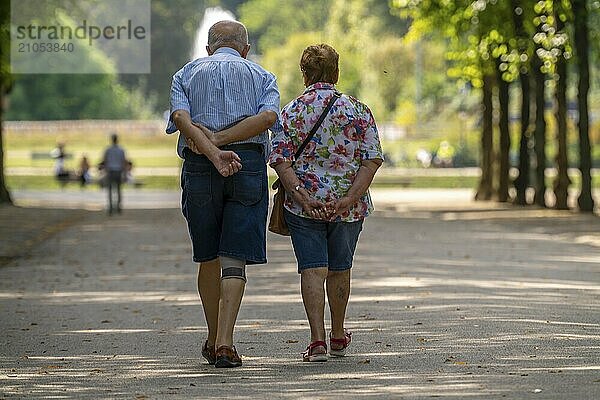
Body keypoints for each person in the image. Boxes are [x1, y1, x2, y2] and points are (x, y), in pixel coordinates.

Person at [166, 20, 282, 368]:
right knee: (234, 256)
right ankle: (225, 343)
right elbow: (268, 118)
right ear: (245, 48)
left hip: (199, 164)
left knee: (208, 255)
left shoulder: (185, 73)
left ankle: (214, 336)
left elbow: (181, 118)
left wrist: (211, 145)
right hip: (246, 163)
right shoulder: (262, 76)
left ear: (208, 48)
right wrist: (222, 144)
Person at [269, 44, 383, 362]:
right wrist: (348, 199)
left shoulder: (290, 111)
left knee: (312, 269)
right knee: (340, 269)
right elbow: (372, 160)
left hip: (304, 206)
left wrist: (302, 196)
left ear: (304, 74)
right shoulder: (359, 110)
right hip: (349, 207)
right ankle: (337, 333)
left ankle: (316, 340)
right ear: (336, 72)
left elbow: (279, 158)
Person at [101, 133, 127, 215]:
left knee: (110, 190)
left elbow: (105, 161)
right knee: (118, 190)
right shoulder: (121, 150)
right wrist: (125, 173)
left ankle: (111, 207)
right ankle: (118, 207)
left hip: (110, 171)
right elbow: (123, 162)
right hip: (118, 171)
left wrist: (104, 171)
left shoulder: (108, 150)